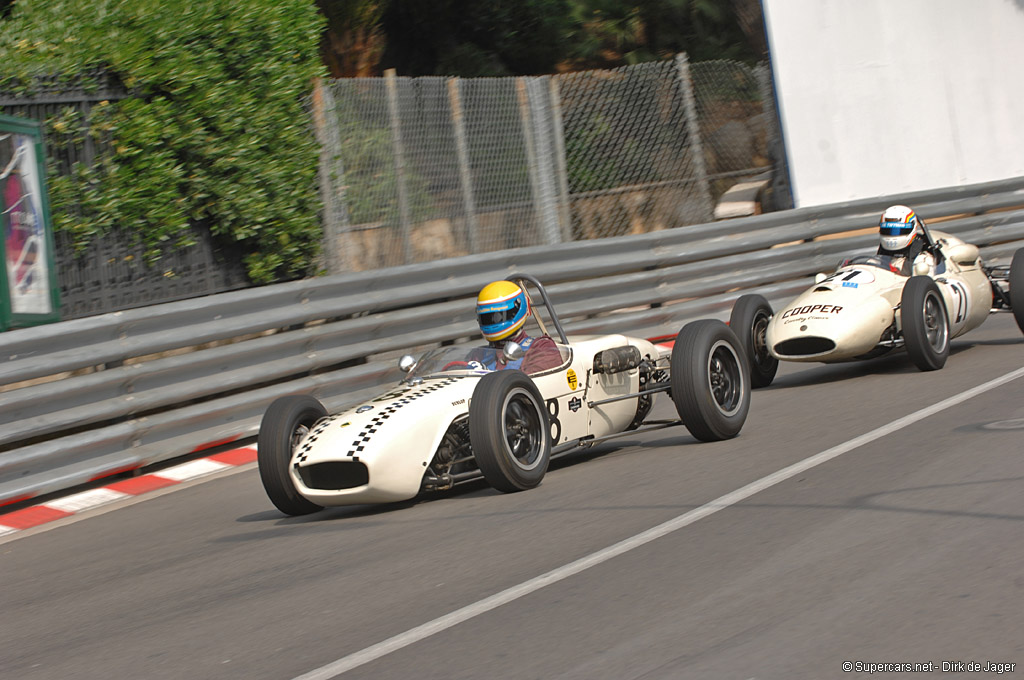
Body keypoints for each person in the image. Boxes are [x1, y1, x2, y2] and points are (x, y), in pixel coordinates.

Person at [474, 280, 565, 374]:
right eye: (486, 318)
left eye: (498, 317)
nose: (492, 321)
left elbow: (533, 385)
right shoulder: (479, 354)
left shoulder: (541, 348)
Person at [877, 205, 937, 276]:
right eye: (887, 231)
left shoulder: (923, 261)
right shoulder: (878, 259)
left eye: (897, 231)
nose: (892, 235)